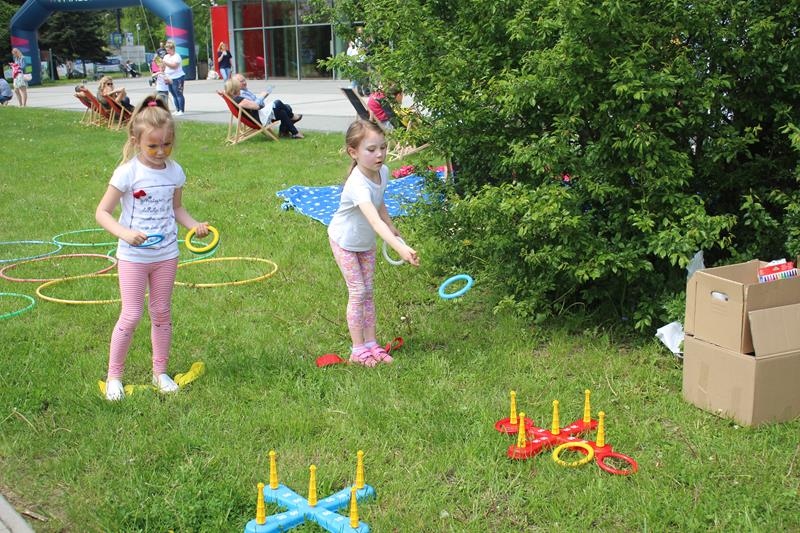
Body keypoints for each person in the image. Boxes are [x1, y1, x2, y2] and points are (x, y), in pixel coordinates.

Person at [95, 96, 210, 401]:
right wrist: (125, 233)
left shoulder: (175, 172)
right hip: (133, 257)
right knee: (132, 315)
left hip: (166, 255)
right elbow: (102, 212)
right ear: (136, 141)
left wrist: (195, 226)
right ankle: (114, 376)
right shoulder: (127, 173)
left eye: (167, 145)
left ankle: (160, 372)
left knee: (161, 312)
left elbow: (177, 208)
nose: (161, 152)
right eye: (153, 146)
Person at [327, 120, 419, 366]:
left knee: (368, 292)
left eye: (383, 147)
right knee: (358, 292)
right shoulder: (357, 184)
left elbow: (379, 202)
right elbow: (374, 222)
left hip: (365, 242)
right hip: (344, 242)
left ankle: (371, 344)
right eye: (371, 149)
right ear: (353, 152)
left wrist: (391, 225)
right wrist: (401, 248)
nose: (380, 154)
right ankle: (358, 350)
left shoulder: (383, 172)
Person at [231, 74, 304, 138]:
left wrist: (262, 98)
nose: (244, 82)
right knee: (278, 103)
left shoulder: (244, 92)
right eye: (241, 81)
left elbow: (258, 105)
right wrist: (262, 96)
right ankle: (292, 117)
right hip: (258, 118)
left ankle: (291, 133)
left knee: (284, 110)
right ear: (235, 84)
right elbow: (256, 106)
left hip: (259, 113)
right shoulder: (240, 96)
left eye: (244, 80)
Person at [162, 40, 186, 116]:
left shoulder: (177, 56)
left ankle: (181, 110)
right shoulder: (166, 56)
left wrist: (165, 63)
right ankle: (177, 109)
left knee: (178, 93)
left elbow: (174, 66)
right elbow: (163, 66)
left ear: (172, 48)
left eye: (168, 49)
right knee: (173, 94)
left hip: (177, 77)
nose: (167, 51)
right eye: (166, 49)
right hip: (169, 77)